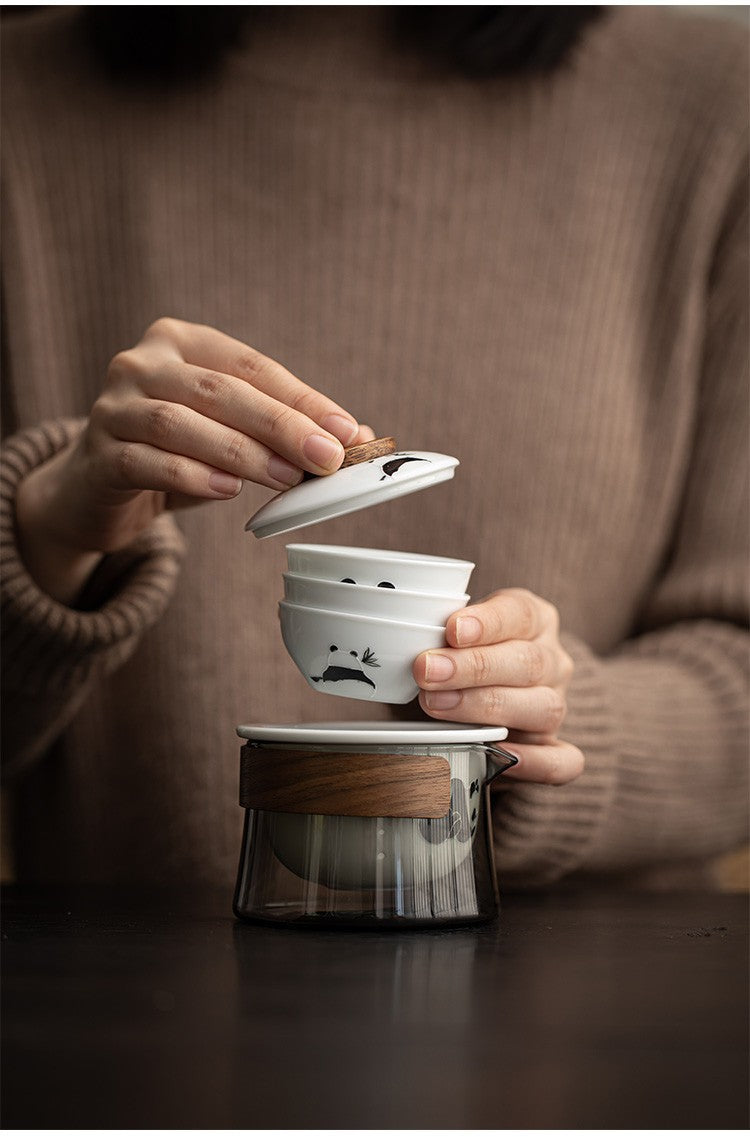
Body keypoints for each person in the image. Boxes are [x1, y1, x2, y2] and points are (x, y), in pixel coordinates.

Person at [1, 5, 747, 888]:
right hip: (108, 1007)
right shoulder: (24, 100)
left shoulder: (712, 92)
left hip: (588, 1005)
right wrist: (45, 537)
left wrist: (543, 720)